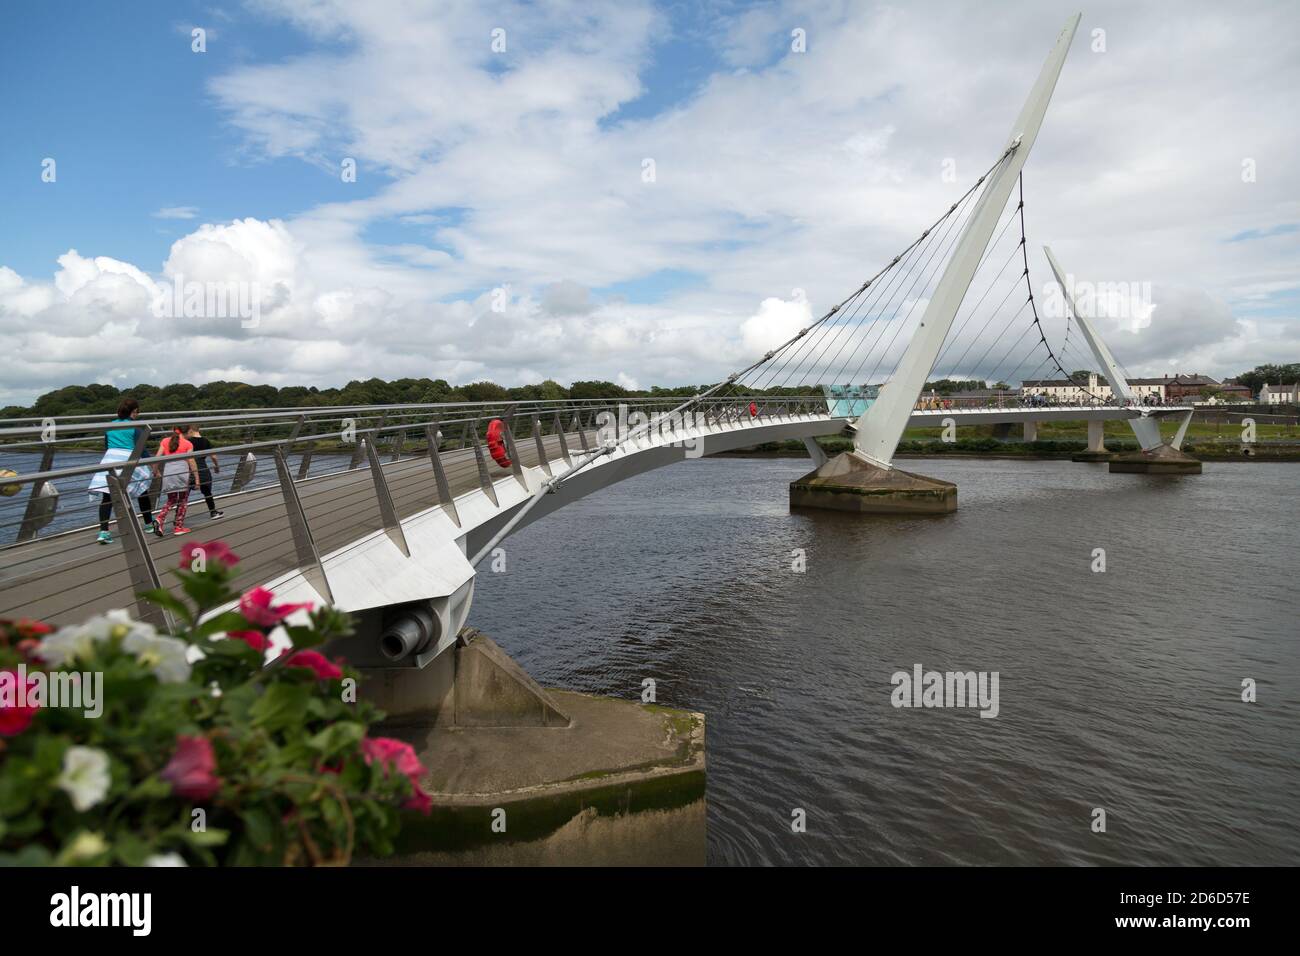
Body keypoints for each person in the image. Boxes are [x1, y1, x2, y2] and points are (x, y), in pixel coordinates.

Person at [87, 398, 155, 544]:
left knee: (107, 496)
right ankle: (149, 524)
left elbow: (107, 445)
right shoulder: (135, 427)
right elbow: (141, 449)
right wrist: (152, 465)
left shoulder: (110, 426)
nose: (137, 415)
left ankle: (104, 532)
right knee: (143, 490)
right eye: (137, 412)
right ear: (134, 412)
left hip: (110, 459)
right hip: (128, 458)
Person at [151, 426, 198, 536]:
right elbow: (191, 461)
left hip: (168, 472)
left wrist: (155, 471)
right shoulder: (188, 444)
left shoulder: (165, 441)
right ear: (187, 432)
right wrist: (197, 478)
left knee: (171, 499)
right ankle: (178, 527)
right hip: (181, 473)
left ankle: (160, 519)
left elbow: (157, 457)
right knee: (182, 500)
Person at [185, 424, 224, 520]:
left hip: (190, 469)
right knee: (207, 492)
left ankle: (178, 517)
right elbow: (214, 457)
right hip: (203, 468)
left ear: (190, 430)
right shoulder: (206, 441)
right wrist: (216, 467)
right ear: (199, 430)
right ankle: (213, 512)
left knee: (184, 495)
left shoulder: (188, 441)